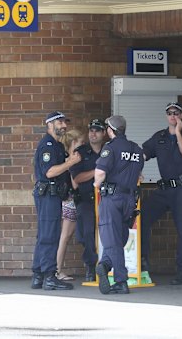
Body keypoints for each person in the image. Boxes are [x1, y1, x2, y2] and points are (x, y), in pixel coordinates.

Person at [140, 102, 182, 285]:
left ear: (181, 116)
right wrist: (133, 170)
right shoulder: (159, 137)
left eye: (176, 113)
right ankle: (141, 263)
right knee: (141, 218)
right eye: (169, 113)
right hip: (165, 189)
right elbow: (142, 154)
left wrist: (179, 132)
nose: (172, 116)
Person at [31, 111, 81, 291]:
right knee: (49, 235)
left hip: (53, 194)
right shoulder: (48, 145)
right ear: (49, 124)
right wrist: (71, 162)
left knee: (44, 234)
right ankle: (49, 276)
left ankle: (38, 275)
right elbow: (50, 172)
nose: (64, 125)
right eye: (59, 122)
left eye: (64, 122)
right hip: (48, 195)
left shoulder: (57, 146)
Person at [94, 115, 144, 295]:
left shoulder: (110, 148)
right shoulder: (137, 150)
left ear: (110, 129)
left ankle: (121, 281)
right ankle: (106, 265)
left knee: (111, 238)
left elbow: (100, 174)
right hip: (129, 200)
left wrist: (95, 185)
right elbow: (139, 175)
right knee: (120, 237)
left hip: (112, 199)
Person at [69, 118, 107, 281]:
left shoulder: (110, 150)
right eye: (91, 130)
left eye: (97, 130)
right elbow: (77, 178)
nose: (93, 133)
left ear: (104, 133)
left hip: (107, 199)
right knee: (88, 232)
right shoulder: (81, 152)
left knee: (110, 232)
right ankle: (91, 266)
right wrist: (99, 171)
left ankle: (108, 266)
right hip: (86, 199)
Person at [55, 129, 86, 281]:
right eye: (81, 142)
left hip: (64, 198)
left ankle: (56, 269)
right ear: (74, 143)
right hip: (71, 199)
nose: (83, 145)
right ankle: (57, 270)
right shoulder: (73, 159)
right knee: (65, 236)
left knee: (63, 236)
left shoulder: (64, 157)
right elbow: (75, 182)